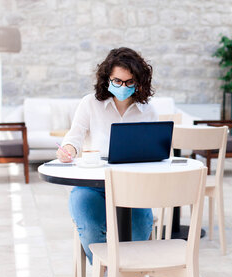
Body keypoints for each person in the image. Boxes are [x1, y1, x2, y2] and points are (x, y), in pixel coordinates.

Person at [56, 47, 157, 263]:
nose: (123, 87)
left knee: (140, 230)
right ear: (107, 79)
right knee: (91, 227)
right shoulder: (90, 103)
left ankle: (123, 275)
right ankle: (106, 276)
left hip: (134, 187)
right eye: (117, 81)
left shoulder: (147, 111)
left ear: (139, 82)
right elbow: (73, 138)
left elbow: (157, 151)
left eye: (129, 82)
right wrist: (68, 151)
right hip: (91, 186)